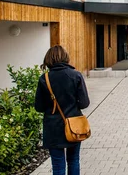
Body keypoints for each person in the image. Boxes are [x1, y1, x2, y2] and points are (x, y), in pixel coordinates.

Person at [35, 46, 90, 175]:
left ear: (48, 59)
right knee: (73, 160)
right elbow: (84, 103)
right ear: (66, 58)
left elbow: (39, 107)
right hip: (74, 126)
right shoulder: (76, 75)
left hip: (52, 128)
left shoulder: (45, 79)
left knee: (58, 165)